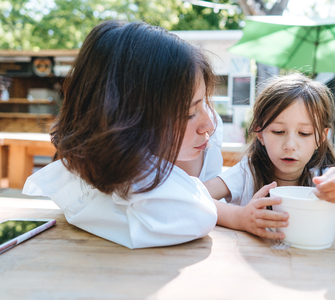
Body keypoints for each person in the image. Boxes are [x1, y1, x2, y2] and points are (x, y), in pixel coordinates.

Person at [22, 20, 219, 249]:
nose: (209, 125)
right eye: (188, 113)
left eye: (205, 104)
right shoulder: (160, 203)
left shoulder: (78, 177)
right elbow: (199, 215)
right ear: (127, 116)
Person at [205, 73, 335, 231]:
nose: (290, 145)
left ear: (321, 137)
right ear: (259, 134)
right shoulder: (247, 174)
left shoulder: (325, 179)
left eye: (304, 133)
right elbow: (194, 196)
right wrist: (239, 217)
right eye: (278, 132)